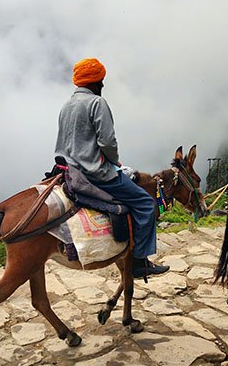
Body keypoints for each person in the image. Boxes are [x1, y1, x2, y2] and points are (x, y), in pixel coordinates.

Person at [55, 58, 169, 279]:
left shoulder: (66, 106)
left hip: (69, 169)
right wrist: (114, 161)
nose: (103, 85)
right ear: (96, 82)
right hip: (94, 172)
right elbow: (107, 142)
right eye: (101, 81)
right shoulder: (96, 103)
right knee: (145, 203)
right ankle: (139, 261)